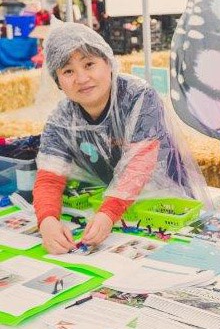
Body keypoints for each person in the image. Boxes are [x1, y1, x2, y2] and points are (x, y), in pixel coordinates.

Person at [33, 22, 208, 254]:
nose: (82, 78)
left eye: (89, 64)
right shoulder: (62, 118)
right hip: (111, 213)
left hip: (163, 205)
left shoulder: (138, 96)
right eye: (68, 71)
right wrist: (47, 221)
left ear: (108, 63)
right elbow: (49, 178)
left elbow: (140, 164)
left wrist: (108, 214)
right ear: (58, 82)